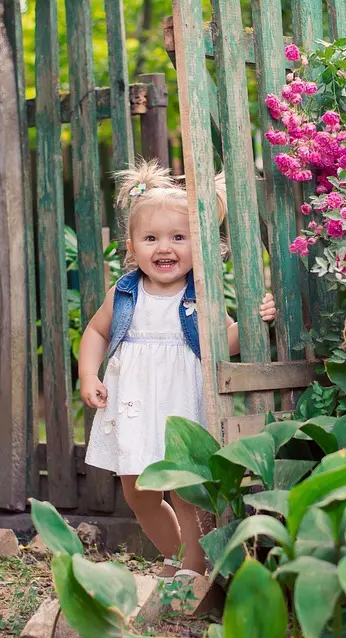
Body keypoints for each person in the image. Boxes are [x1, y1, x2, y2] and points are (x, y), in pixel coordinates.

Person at [78, 160, 275, 579]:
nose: (164, 248)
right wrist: (88, 374)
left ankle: (193, 569)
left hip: (180, 401)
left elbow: (225, 342)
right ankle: (175, 554)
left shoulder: (199, 294)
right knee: (138, 493)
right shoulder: (126, 292)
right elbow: (96, 331)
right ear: (132, 247)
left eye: (178, 237)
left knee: (185, 489)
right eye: (151, 238)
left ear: (200, 246)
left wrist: (258, 319)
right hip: (133, 402)